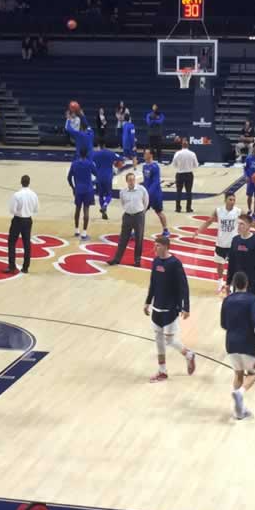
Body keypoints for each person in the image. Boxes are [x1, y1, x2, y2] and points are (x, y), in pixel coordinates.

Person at [144, 233, 195, 382]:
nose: (154, 247)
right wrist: (147, 302)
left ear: (165, 247)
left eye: (157, 245)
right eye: (155, 245)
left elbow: (184, 286)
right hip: (157, 307)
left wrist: (186, 307)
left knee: (170, 340)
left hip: (171, 308)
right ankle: (162, 371)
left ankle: (189, 355)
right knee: (158, 339)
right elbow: (153, 283)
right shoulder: (155, 262)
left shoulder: (175, 263)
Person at [220, 271, 255, 420]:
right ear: (247, 284)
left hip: (230, 344)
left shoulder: (227, 300)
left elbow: (223, 324)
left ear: (234, 285)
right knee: (253, 374)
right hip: (247, 343)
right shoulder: (252, 299)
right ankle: (240, 393)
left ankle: (239, 412)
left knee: (238, 374)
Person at [109, 171, 151, 269]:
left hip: (139, 216)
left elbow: (146, 202)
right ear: (126, 181)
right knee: (123, 238)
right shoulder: (122, 192)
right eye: (130, 180)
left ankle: (137, 260)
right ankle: (117, 259)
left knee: (139, 238)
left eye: (133, 179)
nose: (132, 181)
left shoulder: (142, 189)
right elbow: (123, 203)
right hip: (127, 216)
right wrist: (129, 210)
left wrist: (141, 212)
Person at [226, 213, 255, 297]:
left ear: (248, 226)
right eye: (238, 224)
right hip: (238, 282)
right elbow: (231, 264)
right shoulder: (235, 241)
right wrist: (228, 283)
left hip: (253, 282)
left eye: (242, 224)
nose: (239, 226)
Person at [211, 192, 242, 292]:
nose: (232, 202)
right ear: (225, 200)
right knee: (220, 264)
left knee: (234, 266)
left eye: (234, 200)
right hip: (220, 242)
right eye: (230, 199)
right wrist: (198, 231)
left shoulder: (238, 211)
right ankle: (220, 283)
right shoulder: (218, 211)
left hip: (233, 244)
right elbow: (209, 221)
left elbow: (249, 221)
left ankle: (232, 285)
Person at [7, 174, 38, 274]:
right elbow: (36, 209)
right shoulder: (34, 195)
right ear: (29, 183)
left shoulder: (17, 195)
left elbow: (12, 210)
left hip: (17, 220)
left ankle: (12, 266)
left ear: (21, 182)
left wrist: (19, 212)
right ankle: (25, 267)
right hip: (28, 220)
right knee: (27, 244)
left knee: (12, 242)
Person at [67, 152, 96, 242]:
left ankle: (76, 230)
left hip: (78, 189)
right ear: (87, 155)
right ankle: (84, 233)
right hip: (88, 189)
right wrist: (93, 183)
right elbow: (96, 174)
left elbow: (68, 177)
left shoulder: (74, 163)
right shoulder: (90, 163)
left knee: (77, 209)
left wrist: (73, 187)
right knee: (86, 210)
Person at [141, 149, 170, 234]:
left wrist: (148, 193)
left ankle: (165, 230)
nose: (144, 155)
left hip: (155, 194)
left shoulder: (155, 167)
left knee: (159, 212)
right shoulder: (144, 166)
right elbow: (146, 180)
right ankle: (137, 231)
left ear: (151, 155)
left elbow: (156, 182)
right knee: (140, 212)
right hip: (147, 193)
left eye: (146, 153)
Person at [91, 142, 120, 221]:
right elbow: (121, 159)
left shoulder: (95, 154)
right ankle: (105, 205)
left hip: (99, 176)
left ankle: (104, 211)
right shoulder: (111, 153)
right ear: (105, 145)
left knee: (100, 195)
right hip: (108, 176)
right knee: (109, 194)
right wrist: (116, 164)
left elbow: (90, 161)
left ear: (99, 146)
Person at [171, 142, 199, 212]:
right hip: (189, 174)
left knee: (178, 192)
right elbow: (196, 165)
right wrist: (189, 166)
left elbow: (174, 165)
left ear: (182, 146)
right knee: (189, 192)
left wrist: (180, 167)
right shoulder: (192, 153)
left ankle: (178, 208)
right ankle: (188, 208)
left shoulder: (177, 153)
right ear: (188, 146)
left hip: (180, 174)